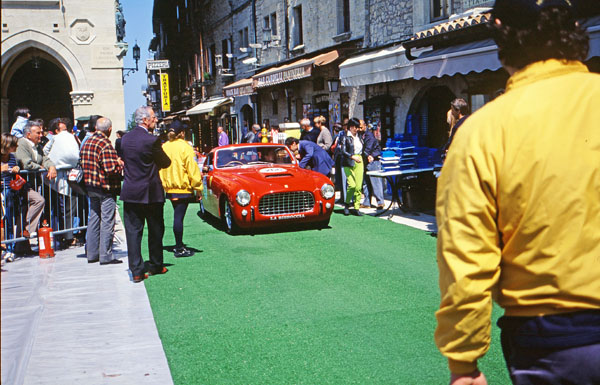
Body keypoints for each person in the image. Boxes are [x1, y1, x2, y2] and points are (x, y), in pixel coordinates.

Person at [435, 1, 600, 385]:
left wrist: (464, 363)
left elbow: (466, 257)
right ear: (576, 28)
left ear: (501, 37)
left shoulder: (482, 132)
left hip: (556, 342)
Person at [120, 106, 171, 283]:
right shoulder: (152, 140)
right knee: (156, 229)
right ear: (145, 120)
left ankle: (136, 270)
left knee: (133, 231)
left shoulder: (124, 139)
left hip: (131, 190)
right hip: (151, 191)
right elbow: (165, 162)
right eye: (154, 118)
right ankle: (156, 264)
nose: (155, 120)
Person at [80, 117, 124, 265]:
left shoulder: (87, 142)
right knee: (107, 220)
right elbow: (110, 168)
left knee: (94, 218)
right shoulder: (105, 144)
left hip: (90, 186)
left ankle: (92, 253)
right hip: (105, 187)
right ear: (109, 129)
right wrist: (119, 165)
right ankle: (106, 254)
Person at [159, 120, 203, 258]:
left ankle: (179, 245)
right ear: (182, 133)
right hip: (183, 186)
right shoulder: (186, 147)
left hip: (169, 187)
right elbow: (192, 168)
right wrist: (198, 187)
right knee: (178, 217)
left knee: (177, 215)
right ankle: (179, 247)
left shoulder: (164, 146)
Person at [14, 121, 55, 247]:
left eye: (41, 132)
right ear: (28, 134)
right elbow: (26, 163)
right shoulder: (22, 144)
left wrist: (51, 167)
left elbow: (45, 158)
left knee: (26, 209)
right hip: (21, 184)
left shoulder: (37, 146)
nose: (41, 135)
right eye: (38, 133)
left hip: (31, 184)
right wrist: (41, 167)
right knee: (39, 201)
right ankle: (27, 229)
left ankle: (22, 245)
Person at [47, 117, 80, 247]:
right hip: (57, 177)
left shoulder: (65, 138)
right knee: (61, 209)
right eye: (63, 129)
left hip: (65, 177)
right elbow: (45, 152)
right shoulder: (54, 139)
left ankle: (67, 235)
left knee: (69, 208)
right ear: (56, 130)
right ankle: (63, 236)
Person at [1, 133, 28, 260]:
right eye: (13, 145)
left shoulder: (12, 157)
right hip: (2, 191)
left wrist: (16, 168)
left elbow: (13, 170)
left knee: (9, 220)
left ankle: (10, 248)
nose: (16, 146)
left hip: (9, 191)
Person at [340, 118, 364, 216]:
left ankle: (356, 207)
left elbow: (364, 148)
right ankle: (347, 204)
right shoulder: (345, 137)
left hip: (359, 160)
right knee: (352, 185)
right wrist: (352, 156)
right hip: (348, 162)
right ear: (350, 127)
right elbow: (343, 151)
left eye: (357, 127)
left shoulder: (360, 137)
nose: (356, 129)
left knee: (358, 186)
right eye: (354, 127)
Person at [360, 123, 384, 210]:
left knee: (376, 182)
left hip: (373, 161)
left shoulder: (369, 135)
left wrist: (365, 156)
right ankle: (367, 202)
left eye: (361, 127)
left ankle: (380, 202)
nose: (359, 128)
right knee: (366, 183)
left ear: (365, 126)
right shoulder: (360, 135)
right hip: (365, 161)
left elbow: (367, 149)